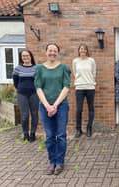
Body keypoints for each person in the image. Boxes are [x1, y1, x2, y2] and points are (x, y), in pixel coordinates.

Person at [34, 43, 71, 175]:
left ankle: (60, 162)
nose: (52, 53)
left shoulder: (64, 68)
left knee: (61, 135)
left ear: (58, 53)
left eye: (55, 51)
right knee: (49, 136)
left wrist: (54, 105)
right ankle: (52, 162)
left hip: (61, 106)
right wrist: (47, 105)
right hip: (44, 106)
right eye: (50, 50)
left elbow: (66, 87)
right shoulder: (39, 69)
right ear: (46, 52)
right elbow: (38, 88)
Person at [13, 49, 39, 142]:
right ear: (21, 58)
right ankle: (25, 133)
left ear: (31, 56)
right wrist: (21, 89)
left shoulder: (36, 68)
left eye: (27, 55)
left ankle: (32, 133)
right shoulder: (17, 69)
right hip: (22, 94)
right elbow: (15, 83)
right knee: (24, 115)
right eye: (23, 56)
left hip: (34, 94)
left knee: (34, 114)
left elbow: (39, 81)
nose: (25, 57)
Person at [72, 44, 96, 138]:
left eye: (84, 49)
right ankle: (78, 129)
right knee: (79, 109)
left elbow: (94, 72)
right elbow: (75, 72)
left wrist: (91, 81)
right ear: (79, 50)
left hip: (90, 87)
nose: (83, 50)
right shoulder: (75, 61)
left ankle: (89, 128)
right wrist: (79, 81)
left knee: (91, 108)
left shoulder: (91, 60)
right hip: (79, 87)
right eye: (81, 49)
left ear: (86, 50)